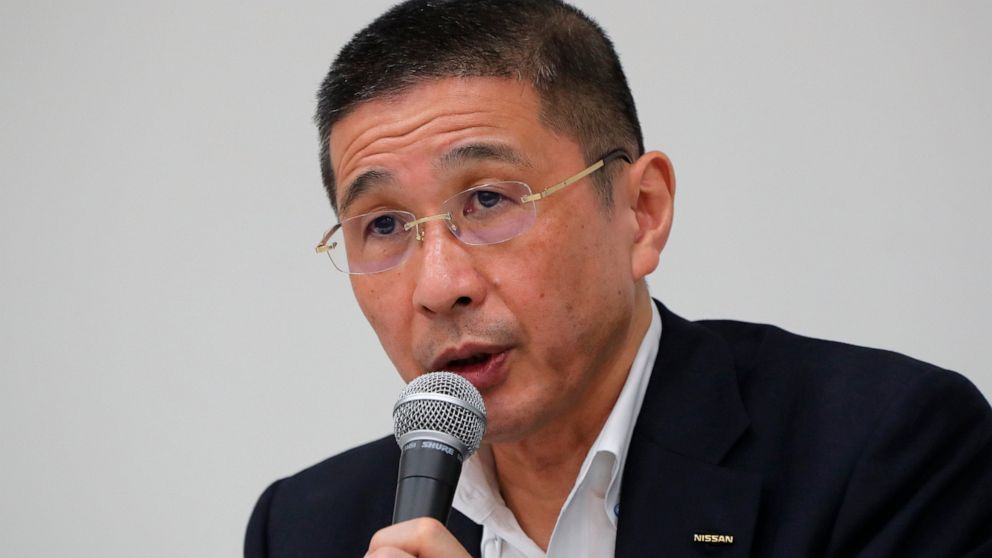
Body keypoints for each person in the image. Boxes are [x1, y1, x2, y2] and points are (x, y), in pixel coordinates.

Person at [245, 1, 992, 556]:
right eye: (384, 225)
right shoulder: (307, 529)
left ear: (642, 211)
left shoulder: (883, 454)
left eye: (489, 200)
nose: (439, 286)